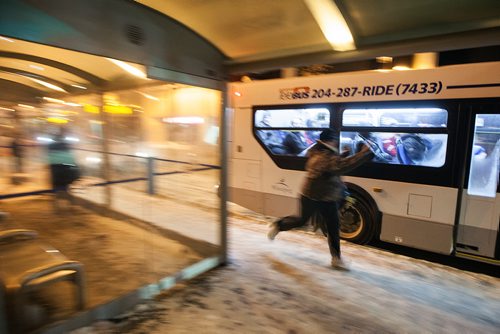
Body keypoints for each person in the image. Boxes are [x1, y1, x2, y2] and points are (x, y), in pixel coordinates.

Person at [267, 129, 374, 270]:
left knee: (333, 227)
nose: (337, 141)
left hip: (327, 197)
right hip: (311, 197)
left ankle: (336, 259)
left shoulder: (324, 151)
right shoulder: (321, 154)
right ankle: (279, 225)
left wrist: (343, 155)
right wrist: (364, 153)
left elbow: (332, 165)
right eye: (335, 138)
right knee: (301, 221)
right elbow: (339, 167)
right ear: (330, 140)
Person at [47, 128, 80, 210]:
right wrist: (73, 169)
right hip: (64, 172)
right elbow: (70, 160)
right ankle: (70, 205)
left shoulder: (51, 147)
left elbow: (51, 160)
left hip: (56, 173)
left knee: (57, 190)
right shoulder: (65, 146)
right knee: (66, 189)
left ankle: (57, 207)